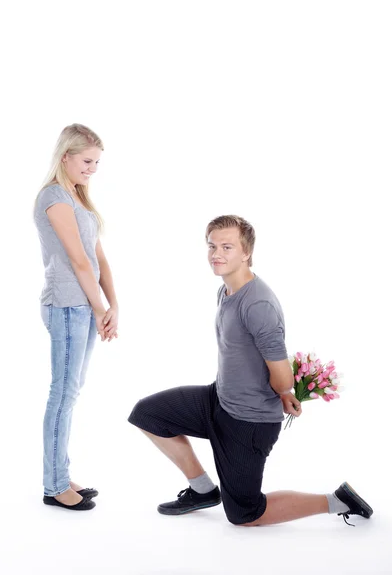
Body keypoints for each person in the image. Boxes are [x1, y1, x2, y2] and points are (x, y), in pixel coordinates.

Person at [128, 215, 372, 527]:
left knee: (244, 514)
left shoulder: (258, 304)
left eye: (227, 247)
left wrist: (285, 394)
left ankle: (337, 500)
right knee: (148, 414)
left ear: (246, 253)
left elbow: (281, 374)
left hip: (248, 423)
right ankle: (203, 491)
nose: (216, 253)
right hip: (218, 400)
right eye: (212, 246)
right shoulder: (227, 290)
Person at [34, 124, 119, 511]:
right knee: (63, 393)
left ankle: (60, 474)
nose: (92, 169)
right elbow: (78, 260)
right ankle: (54, 486)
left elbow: (99, 258)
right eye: (87, 161)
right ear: (65, 156)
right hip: (68, 304)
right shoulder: (54, 197)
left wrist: (113, 304)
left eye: (97, 162)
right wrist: (100, 309)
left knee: (71, 393)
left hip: (84, 305)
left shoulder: (79, 199)